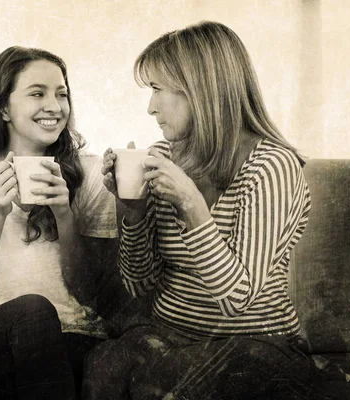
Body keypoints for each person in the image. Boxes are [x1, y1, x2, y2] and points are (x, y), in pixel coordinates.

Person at [85, 21, 334, 400]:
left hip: (255, 343)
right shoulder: (165, 156)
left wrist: (192, 207)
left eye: (157, 89)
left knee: (171, 378)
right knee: (104, 366)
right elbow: (140, 283)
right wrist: (131, 210)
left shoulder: (271, 166)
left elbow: (236, 298)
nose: (150, 107)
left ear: (199, 91)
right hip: (170, 334)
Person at [0, 46, 118, 399]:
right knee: (34, 309)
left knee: (17, 373)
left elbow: (93, 294)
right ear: (4, 107)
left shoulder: (90, 172)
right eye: (37, 93)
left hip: (73, 337)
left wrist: (64, 216)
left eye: (62, 94)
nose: (55, 106)